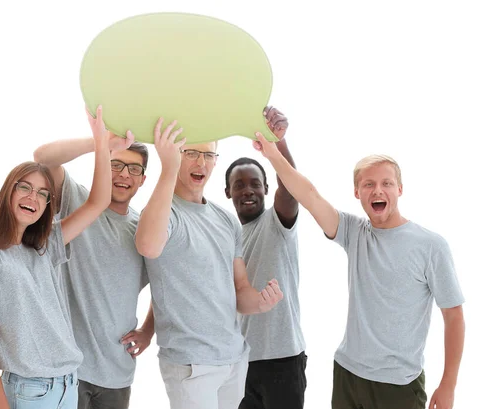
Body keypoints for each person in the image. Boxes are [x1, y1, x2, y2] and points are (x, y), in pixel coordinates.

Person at [253, 132, 465, 409]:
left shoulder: (431, 245)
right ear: (357, 192)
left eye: (386, 183)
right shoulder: (354, 232)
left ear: (400, 189)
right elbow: (308, 195)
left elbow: (453, 315)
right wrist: (272, 153)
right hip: (348, 376)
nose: (378, 190)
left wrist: (448, 383)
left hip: (398, 385)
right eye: (368, 184)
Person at [0, 106, 123, 409]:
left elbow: (98, 202)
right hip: (29, 392)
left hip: (67, 384)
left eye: (41, 193)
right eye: (24, 188)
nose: (32, 198)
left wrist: (102, 143)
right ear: (7, 193)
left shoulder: (46, 245)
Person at [134, 117, 284, 409]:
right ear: (175, 154)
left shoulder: (227, 220)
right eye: (190, 153)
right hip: (190, 366)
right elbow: (149, 247)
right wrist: (167, 169)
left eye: (207, 154)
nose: (200, 162)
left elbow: (240, 290)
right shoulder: (164, 214)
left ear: (216, 161)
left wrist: (262, 303)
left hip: (233, 359)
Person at [33, 127, 153, 409]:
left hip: (117, 374)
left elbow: (169, 282)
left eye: (134, 169)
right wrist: (100, 142)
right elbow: (42, 158)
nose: (124, 174)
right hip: (65, 369)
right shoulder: (77, 200)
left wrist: (149, 329)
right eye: (116, 164)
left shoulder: (144, 231)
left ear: (143, 179)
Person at [224, 106, 307, 409]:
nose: (248, 190)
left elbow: (291, 187)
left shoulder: (278, 222)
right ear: (227, 192)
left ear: (266, 189)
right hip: (240, 362)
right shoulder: (227, 237)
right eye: (239, 185)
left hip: (282, 360)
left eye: (255, 184)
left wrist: (278, 143)